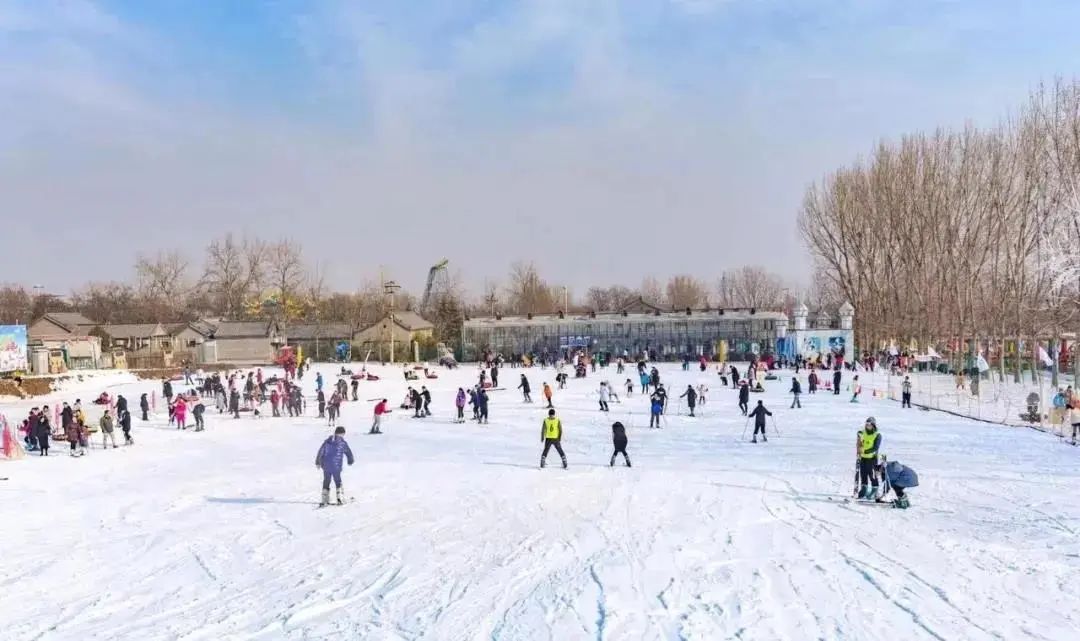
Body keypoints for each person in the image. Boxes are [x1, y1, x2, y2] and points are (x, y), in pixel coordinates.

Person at [315, 426, 355, 507]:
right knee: (337, 480)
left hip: (326, 466)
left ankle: (324, 498)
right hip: (336, 467)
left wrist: (318, 462)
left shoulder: (327, 442)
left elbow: (320, 451)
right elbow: (348, 452)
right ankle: (340, 497)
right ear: (342, 434)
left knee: (326, 480)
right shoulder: (342, 443)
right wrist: (350, 460)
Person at [856, 417, 882, 500]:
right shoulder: (863, 432)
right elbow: (859, 440)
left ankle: (875, 490)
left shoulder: (877, 435)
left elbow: (875, 447)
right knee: (863, 474)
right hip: (863, 457)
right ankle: (864, 489)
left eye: (869, 425)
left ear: (873, 425)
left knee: (872, 475)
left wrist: (865, 451)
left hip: (872, 458)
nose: (868, 426)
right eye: (866, 424)